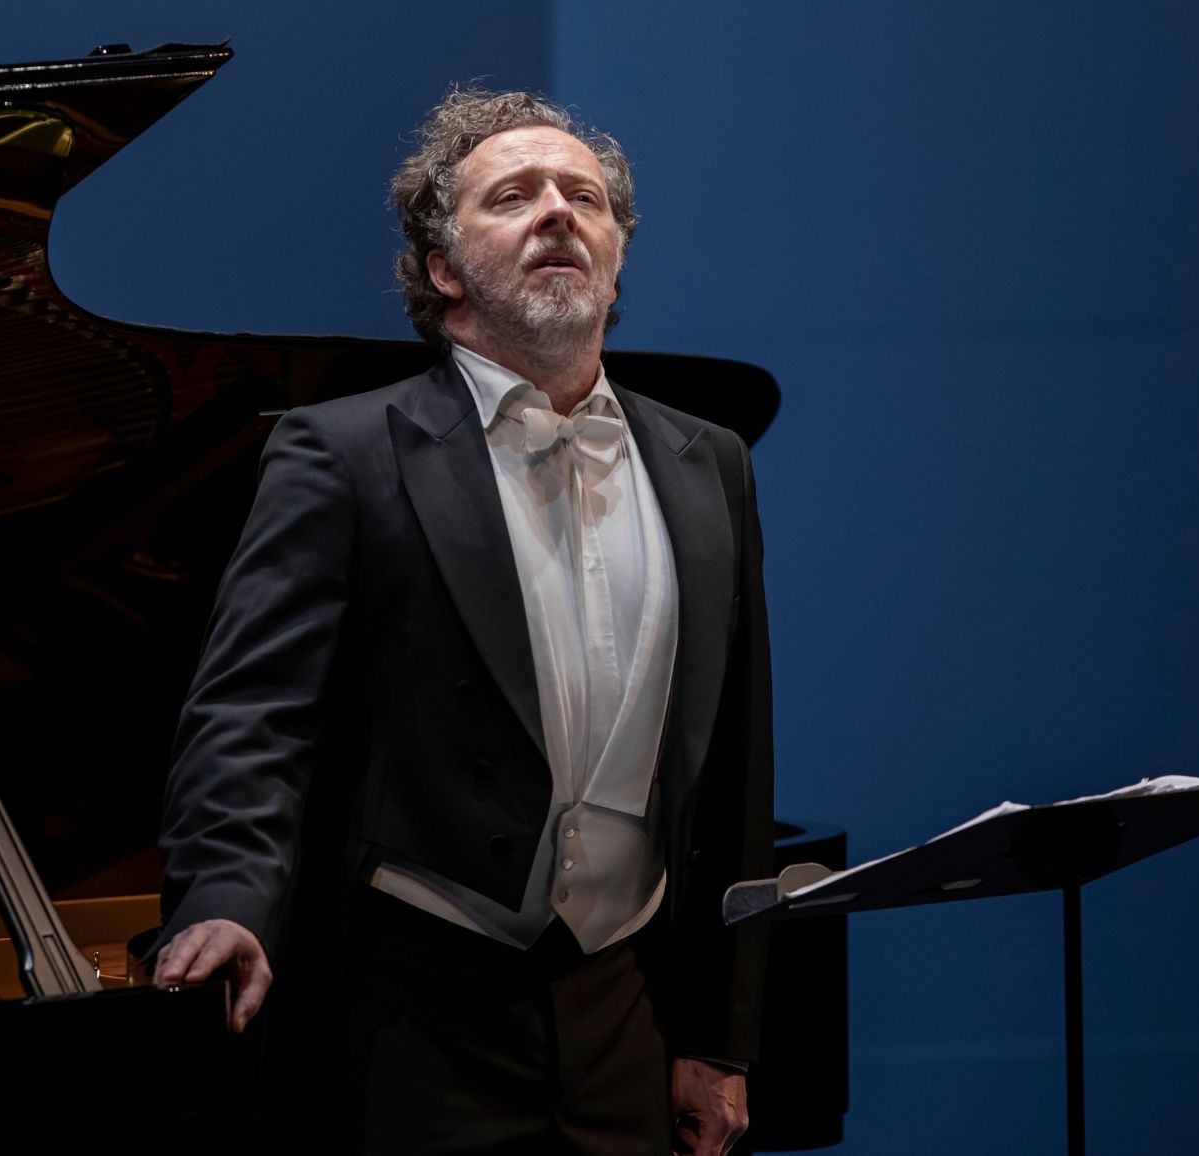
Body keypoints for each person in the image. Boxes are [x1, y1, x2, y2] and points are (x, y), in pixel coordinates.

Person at [151, 88, 773, 1155]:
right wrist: (225, 896)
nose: (558, 211)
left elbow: (734, 771)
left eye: (584, 197)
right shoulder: (343, 453)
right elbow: (253, 717)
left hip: (623, 1005)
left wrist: (721, 1034)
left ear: (617, 253)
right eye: (514, 195)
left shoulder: (708, 462)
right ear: (443, 268)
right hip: (406, 1015)